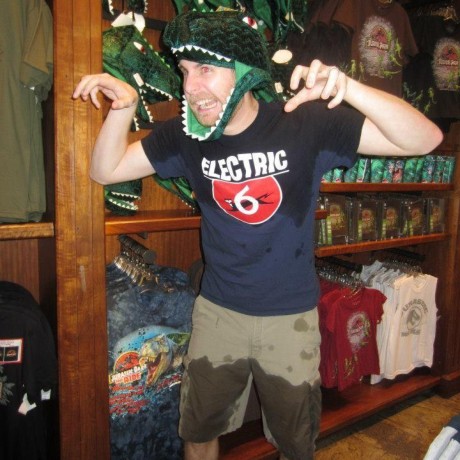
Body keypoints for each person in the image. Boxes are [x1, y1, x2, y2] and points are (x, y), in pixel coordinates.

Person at [73, 10, 443, 460]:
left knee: (295, 444)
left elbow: (424, 139)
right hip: (217, 314)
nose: (190, 87)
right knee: (198, 431)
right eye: (185, 71)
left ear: (243, 69)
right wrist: (123, 109)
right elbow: (105, 170)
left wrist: (349, 88)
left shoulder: (302, 123)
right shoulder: (186, 135)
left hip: (291, 319)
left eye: (205, 69)